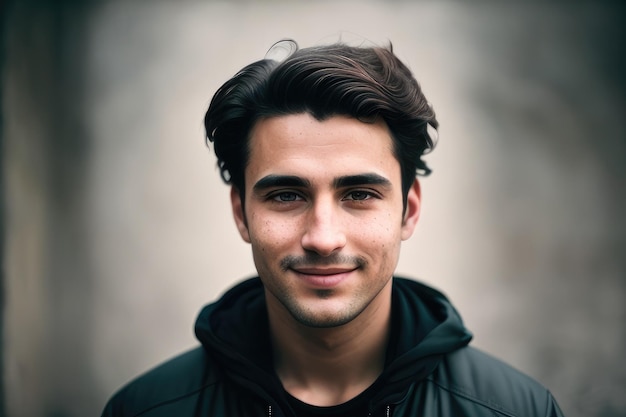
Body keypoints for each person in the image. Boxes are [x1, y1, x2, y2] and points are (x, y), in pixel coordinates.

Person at [102, 39, 564, 417]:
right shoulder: (144, 410)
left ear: (409, 211)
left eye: (359, 194)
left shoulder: (517, 411)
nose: (322, 238)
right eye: (286, 195)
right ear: (241, 213)